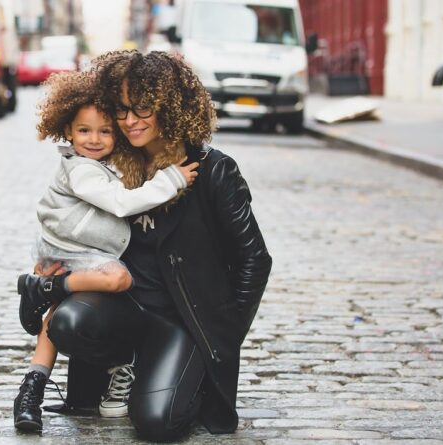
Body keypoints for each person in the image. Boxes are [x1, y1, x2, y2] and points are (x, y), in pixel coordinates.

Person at [41, 50, 273, 441]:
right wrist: (53, 266)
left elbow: (255, 259)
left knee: (155, 423)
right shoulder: (113, 163)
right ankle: (126, 365)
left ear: (171, 106)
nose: (130, 121)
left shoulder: (213, 170)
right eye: (123, 109)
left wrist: (222, 338)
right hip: (126, 307)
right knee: (68, 323)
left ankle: (182, 375)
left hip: (181, 319)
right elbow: (68, 220)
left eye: (143, 108)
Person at [13, 70, 199, 432]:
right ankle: (52, 290)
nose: (95, 139)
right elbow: (120, 203)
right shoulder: (81, 170)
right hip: (76, 250)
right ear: (67, 131)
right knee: (118, 278)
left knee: (56, 314)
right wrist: (172, 179)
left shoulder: (101, 164)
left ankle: (30, 388)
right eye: (84, 131)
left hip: (70, 248)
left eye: (105, 131)